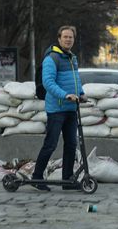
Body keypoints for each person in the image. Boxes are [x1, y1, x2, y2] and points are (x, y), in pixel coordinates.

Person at [31, 25, 86, 191]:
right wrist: (65, 95)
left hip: (71, 108)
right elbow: (48, 82)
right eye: (65, 37)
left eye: (71, 37)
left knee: (71, 144)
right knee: (50, 144)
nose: (68, 40)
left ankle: (67, 180)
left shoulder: (72, 58)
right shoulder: (52, 58)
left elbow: (75, 79)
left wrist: (81, 93)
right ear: (59, 38)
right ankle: (37, 177)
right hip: (57, 109)